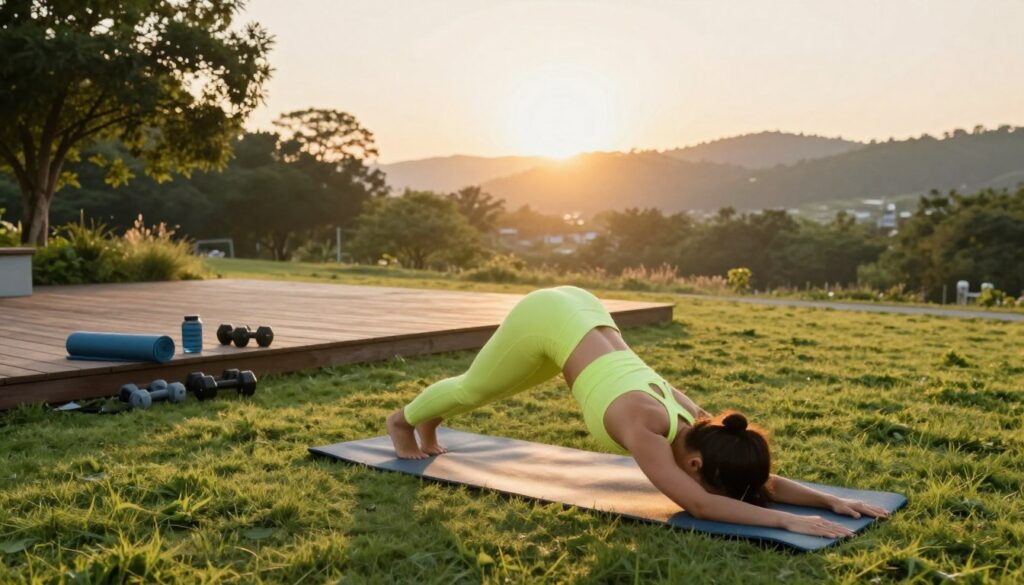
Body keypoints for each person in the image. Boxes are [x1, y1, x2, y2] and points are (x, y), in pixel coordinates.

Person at [387, 286, 888, 537]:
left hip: (582, 316)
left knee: (481, 392)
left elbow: (748, 483)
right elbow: (701, 505)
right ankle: (404, 421)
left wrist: (824, 499)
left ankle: (432, 420)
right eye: (708, 479)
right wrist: (788, 523)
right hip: (551, 316)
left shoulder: (705, 429)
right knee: (476, 388)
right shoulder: (646, 428)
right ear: (695, 466)